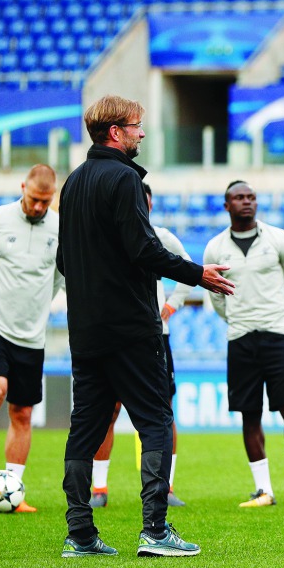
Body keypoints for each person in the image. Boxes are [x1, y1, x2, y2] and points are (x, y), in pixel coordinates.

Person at [58, 95, 234, 558]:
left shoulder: (73, 183)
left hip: (86, 330)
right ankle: (155, 531)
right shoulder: (124, 179)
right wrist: (198, 274)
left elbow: (63, 259)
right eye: (136, 126)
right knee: (155, 421)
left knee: (85, 429)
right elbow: (143, 249)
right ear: (115, 132)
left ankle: (79, 535)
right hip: (132, 327)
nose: (141, 133)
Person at [203, 181, 284, 508]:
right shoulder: (215, 248)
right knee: (250, 414)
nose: (246, 202)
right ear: (226, 205)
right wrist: (240, 319)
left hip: (279, 336)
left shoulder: (279, 239)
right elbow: (216, 298)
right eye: (239, 197)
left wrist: (279, 319)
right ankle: (263, 490)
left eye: (251, 197)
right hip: (240, 339)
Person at [90, 182, 192, 509]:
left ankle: (168, 486)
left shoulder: (162, 237)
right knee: (107, 410)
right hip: (114, 336)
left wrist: (173, 304)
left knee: (163, 411)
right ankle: (99, 489)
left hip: (155, 337)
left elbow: (191, 270)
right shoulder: (107, 236)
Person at [0, 164, 63, 513]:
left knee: (22, 412)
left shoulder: (60, 227)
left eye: (46, 201)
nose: (39, 207)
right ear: (22, 187)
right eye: (34, 199)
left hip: (31, 335)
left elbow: (59, 279)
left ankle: (12, 487)